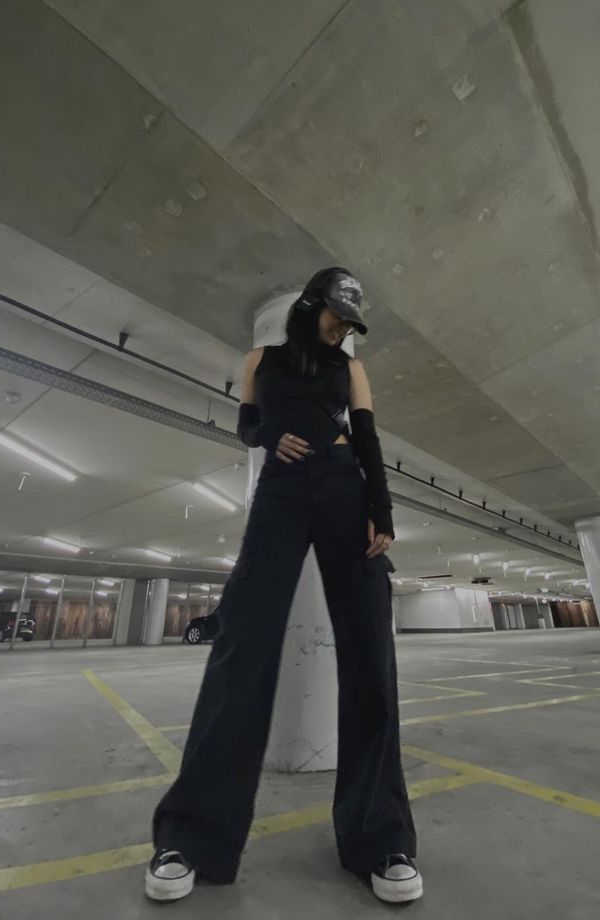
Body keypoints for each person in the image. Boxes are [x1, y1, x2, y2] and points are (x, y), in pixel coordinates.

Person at [145, 268, 422, 904]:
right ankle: (191, 837)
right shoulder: (261, 358)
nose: (341, 329)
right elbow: (247, 425)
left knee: (370, 660)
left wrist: (380, 508)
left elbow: (368, 436)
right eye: (335, 315)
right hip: (279, 496)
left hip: (344, 493)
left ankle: (381, 839)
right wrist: (271, 433)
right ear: (310, 303)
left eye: (350, 323)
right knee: (241, 647)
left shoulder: (350, 368)